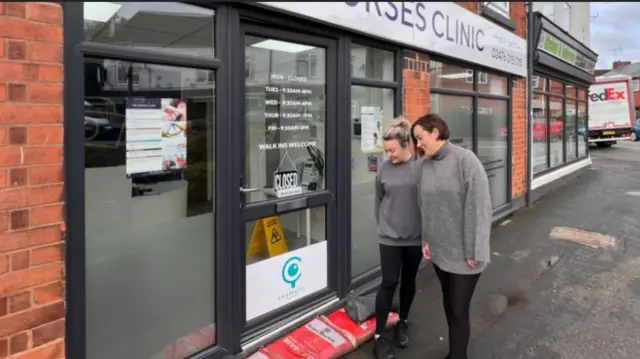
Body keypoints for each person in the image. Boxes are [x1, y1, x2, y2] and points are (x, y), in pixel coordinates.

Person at [411, 113, 492, 359]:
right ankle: (455, 352)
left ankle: (458, 355)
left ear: (435, 132)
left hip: (465, 254)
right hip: (439, 250)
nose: (418, 144)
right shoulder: (425, 165)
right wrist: (426, 239)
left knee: (458, 309)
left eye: (420, 137)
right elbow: (424, 204)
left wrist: (474, 250)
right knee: (449, 305)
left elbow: (479, 207)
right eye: (415, 140)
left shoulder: (465, 161)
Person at [373, 118, 423, 359]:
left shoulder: (421, 167)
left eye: (392, 150)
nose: (389, 155)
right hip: (389, 238)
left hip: (414, 238)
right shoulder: (384, 168)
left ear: (406, 145)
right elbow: (379, 199)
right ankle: (379, 335)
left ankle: (402, 321)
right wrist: (383, 226)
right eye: (386, 151)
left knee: (409, 281)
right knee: (388, 283)